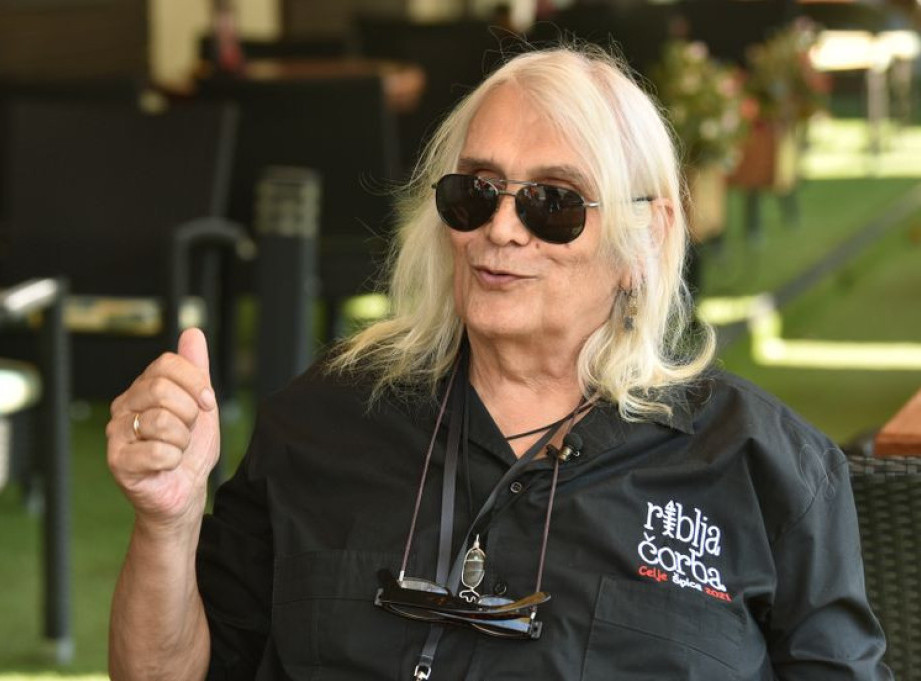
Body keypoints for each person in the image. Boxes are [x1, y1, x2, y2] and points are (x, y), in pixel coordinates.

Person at [106, 45, 891, 680]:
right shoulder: (322, 420)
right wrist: (166, 521)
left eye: (554, 202)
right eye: (475, 192)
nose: (501, 229)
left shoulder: (763, 466)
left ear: (645, 238)